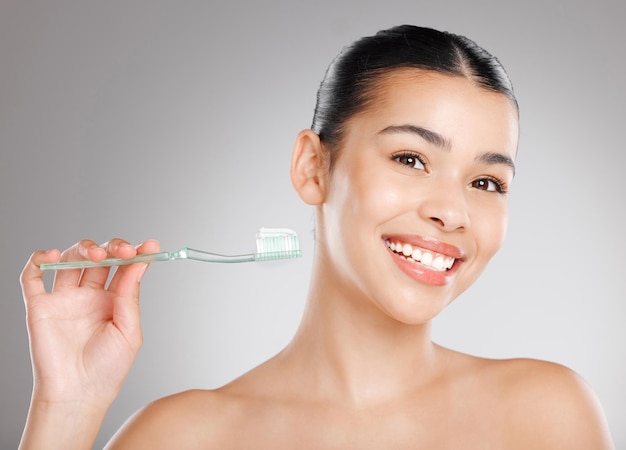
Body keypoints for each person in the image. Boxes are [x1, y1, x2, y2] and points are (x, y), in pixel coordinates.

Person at [19, 25, 614, 449]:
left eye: (487, 181)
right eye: (410, 159)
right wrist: (65, 410)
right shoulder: (182, 437)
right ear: (313, 167)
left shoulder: (547, 416)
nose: (451, 212)